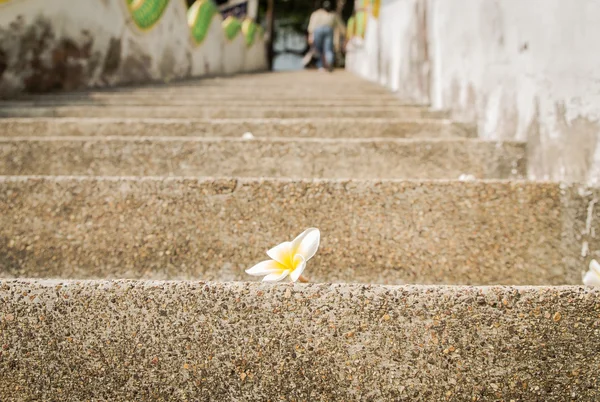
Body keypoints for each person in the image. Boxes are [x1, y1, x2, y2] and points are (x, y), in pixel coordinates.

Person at [307, 1, 344, 72]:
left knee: (320, 50)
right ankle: (329, 62)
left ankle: (321, 65)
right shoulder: (333, 14)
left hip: (318, 31)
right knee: (328, 49)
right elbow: (340, 26)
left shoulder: (316, 14)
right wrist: (345, 33)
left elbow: (311, 26)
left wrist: (310, 36)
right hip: (328, 30)